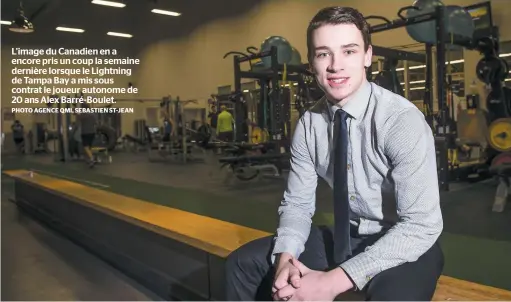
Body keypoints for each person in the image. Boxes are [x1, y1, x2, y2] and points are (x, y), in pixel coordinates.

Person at [225, 6, 444, 301]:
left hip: (403, 241)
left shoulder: (400, 121)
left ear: (368, 55)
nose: (335, 66)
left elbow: (421, 225)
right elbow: (298, 205)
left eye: (349, 51)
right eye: (323, 53)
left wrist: (330, 283)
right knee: (242, 264)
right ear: (311, 62)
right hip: (347, 237)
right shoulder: (309, 125)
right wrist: (286, 257)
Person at [76, 103, 97, 167]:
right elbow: (95, 123)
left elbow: (78, 119)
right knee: (89, 147)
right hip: (92, 132)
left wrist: (76, 112)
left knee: (85, 147)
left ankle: (92, 158)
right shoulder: (92, 114)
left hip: (85, 132)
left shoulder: (83, 114)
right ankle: (89, 160)